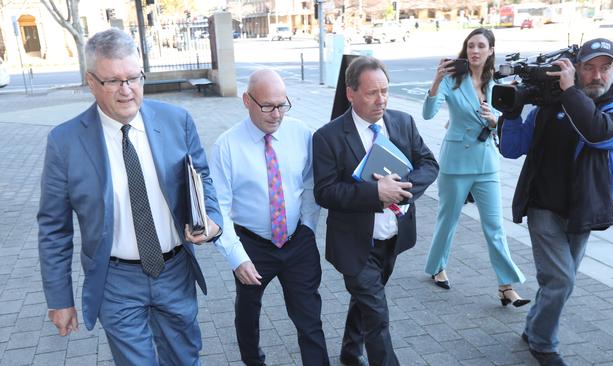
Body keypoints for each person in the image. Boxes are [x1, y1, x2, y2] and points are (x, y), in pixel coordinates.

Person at [37, 28, 223, 365]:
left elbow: (202, 179)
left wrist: (212, 221)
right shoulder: (64, 143)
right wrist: (59, 298)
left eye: (134, 78)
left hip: (174, 271)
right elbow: (53, 228)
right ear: (90, 82)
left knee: (185, 358)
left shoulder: (176, 120)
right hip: (115, 280)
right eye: (113, 81)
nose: (127, 91)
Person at [499, 38, 613, 365]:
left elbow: (599, 133)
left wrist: (570, 93)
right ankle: (543, 343)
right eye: (589, 67)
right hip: (542, 206)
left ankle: (534, 325)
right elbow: (511, 148)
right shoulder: (550, 105)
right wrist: (512, 112)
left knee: (559, 281)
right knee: (561, 280)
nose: (597, 75)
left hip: (583, 210)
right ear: (577, 68)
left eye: (604, 68)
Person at [313, 56, 439, 366]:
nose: (381, 99)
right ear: (350, 93)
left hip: (392, 240)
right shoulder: (327, 137)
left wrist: (401, 188)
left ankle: (349, 350)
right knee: (378, 314)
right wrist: (375, 193)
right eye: (372, 92)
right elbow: (325, 192)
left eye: (385, 90)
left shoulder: (402, 122)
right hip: (354, 245)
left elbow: (429, 164)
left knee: (368, 301)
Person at [210, 69, 329, 366]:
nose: (276, 115)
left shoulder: (301, 133)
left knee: (310, 317)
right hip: (252, 244)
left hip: (296, 240)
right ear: (246, 101)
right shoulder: (226, 146)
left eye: (282, 105)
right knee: (248, 314)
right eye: (268, 106)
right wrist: (237, 257)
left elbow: (310, 184)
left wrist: (307, 228)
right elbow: (219, 208)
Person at [421, 28, 529, 307]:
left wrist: (494, 120)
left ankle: (506, 286)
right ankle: (436, 267)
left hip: (486, 162)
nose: (475, 51)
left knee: (494, 227)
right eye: (471, 45)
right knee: (448, 220)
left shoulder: (499, 82)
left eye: (481, 46)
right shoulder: (452, 80)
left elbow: (505, 121)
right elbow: (428, 113)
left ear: (491, 50)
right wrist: (436, 80)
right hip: (455, 162)